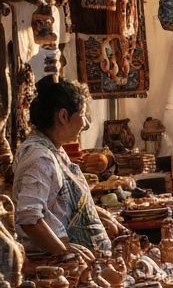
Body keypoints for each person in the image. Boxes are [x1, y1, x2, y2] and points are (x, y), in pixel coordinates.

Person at [12, 77, 121, 262]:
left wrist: (102, 216)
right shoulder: (40, 158)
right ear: (63, 116)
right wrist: (64, 252)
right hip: (57, 266)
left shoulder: (51, 148)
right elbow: (29, 218)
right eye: (82, 114)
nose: (85, 124)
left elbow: (58, 203)